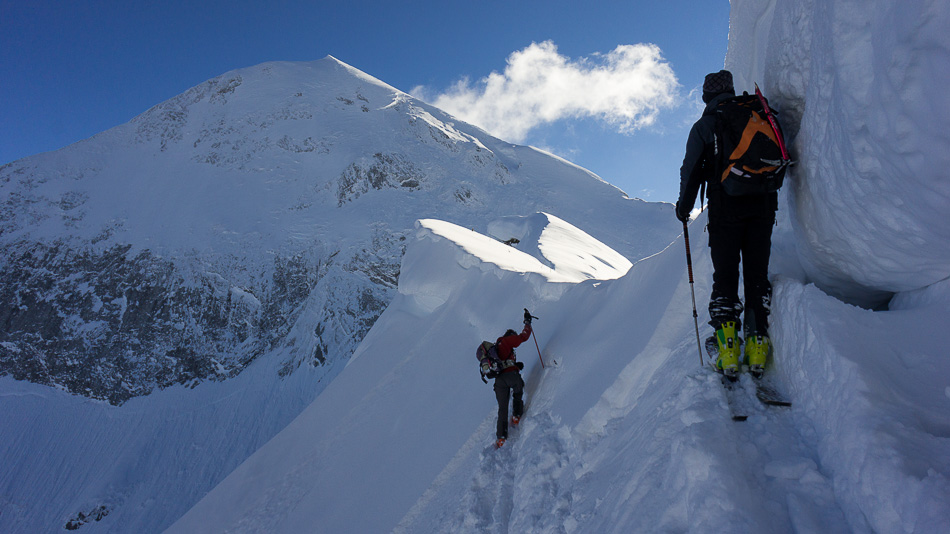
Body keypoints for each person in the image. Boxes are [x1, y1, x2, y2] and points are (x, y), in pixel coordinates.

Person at [675, 69, 778, 379]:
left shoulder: (705, 125)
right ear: (732, 90)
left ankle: (729, 352)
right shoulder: (755, 115)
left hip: (725, 208)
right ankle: (758, 348)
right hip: (763, 204)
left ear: (706, 96)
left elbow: (691, 170)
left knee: (726, 275)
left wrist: (684, 208)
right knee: (757, 273)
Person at [480, 309, 533, 447]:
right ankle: (516, 415)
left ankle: (501, 438)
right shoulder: (507, 340)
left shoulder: (497, 348)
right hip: (511, 377)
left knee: (502, 409)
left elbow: (504, 363)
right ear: (510, 335)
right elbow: (523, 337)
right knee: (518, 388)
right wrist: (528, 323)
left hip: (499, 381)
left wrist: (516, 365)